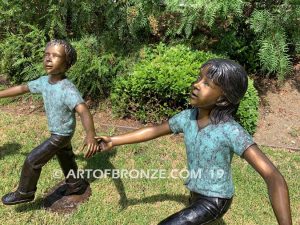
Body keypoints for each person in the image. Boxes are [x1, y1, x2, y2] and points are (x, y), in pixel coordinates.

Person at [94, 59, 292, 225]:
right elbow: (154, 130)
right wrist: (114, 140)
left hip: (215, 199)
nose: (197, 84)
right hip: (195, 194)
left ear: (223, 98)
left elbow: (274, 177)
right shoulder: (187, 117)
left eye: (207, 83)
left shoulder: (231, 131)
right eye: (199, 78)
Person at [0, 39, 99, 205]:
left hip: (62, 134)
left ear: (67, 63)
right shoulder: (44, 82)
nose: (48, 58)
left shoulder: (67, 88)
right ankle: (75, 184)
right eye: (46, 54)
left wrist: (90, 135)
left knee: (33, 160)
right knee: (65, 157)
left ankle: (25, 192)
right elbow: (23, 88)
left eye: (55, 55)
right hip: (57, 131)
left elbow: (83, 110)